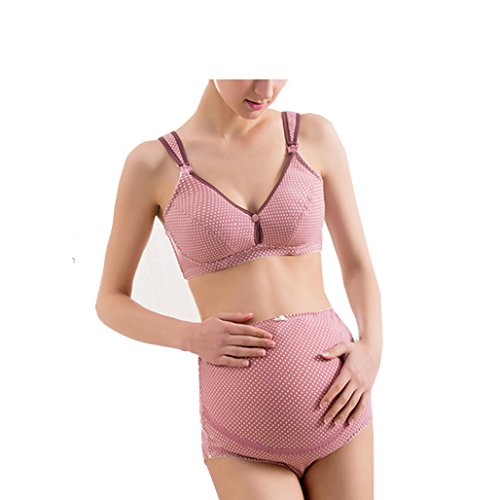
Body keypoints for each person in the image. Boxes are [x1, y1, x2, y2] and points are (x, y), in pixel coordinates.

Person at [95, 79, 383, 500]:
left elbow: (357, 264)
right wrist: (191, 337)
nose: (265, 88)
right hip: (244, 433)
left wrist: (371, 348)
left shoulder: (313, 136)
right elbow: (110, 300)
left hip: (340, 404)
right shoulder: (154, 164)